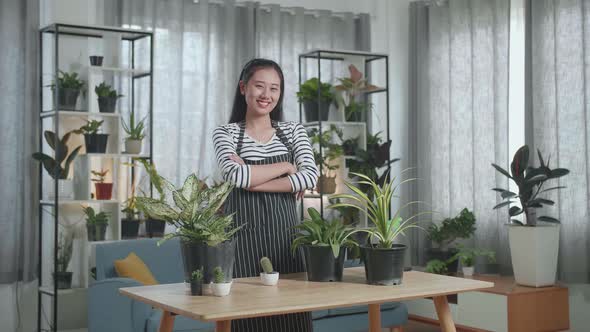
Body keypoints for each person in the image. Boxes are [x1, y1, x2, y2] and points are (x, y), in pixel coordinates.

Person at [212, 58, 318, 332]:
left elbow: (309, 177)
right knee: (247, 319)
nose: (266, 95)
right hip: (243, 243)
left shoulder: (293, 131)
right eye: (259, 86)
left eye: (274, 88)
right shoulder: (225, 133)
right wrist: (285, 168)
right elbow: (236, 176)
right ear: (243, 87)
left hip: (286, 243)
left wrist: (252, 178)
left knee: (292, 319)